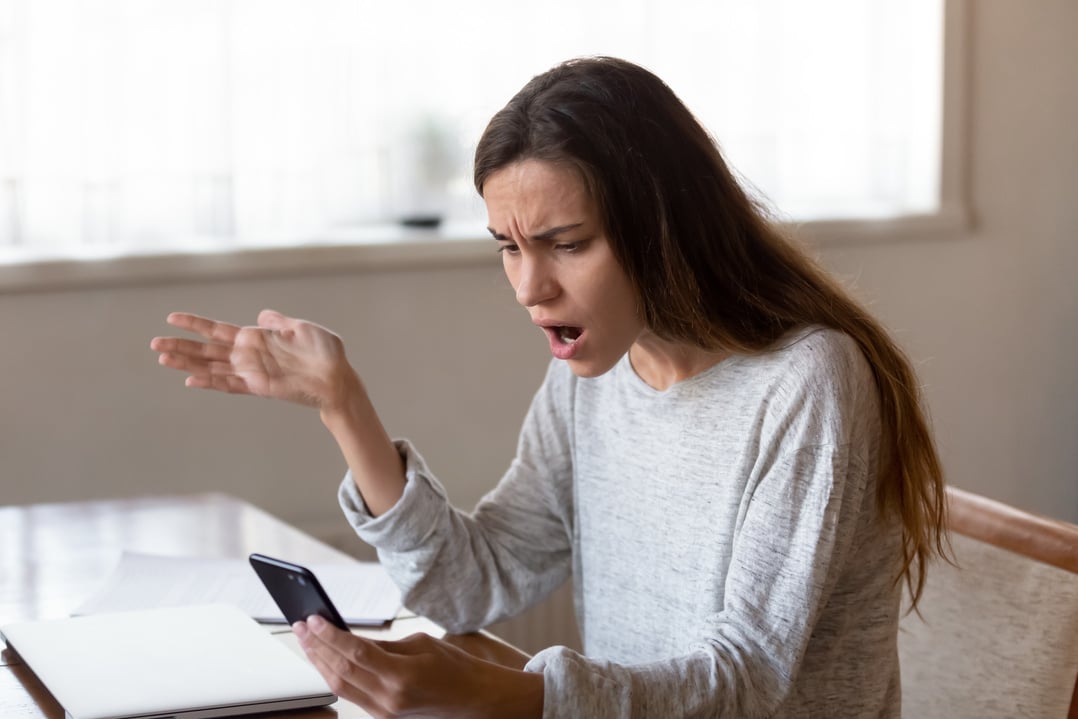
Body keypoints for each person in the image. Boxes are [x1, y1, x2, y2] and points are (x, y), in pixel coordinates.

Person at [151, 56, 947, 718]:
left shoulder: (808, 381)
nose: (530, 288)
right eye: (508, 246)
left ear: (662, 225)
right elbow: (472, 583)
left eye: (565, 244)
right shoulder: (594, 374)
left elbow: (748, 679)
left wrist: (508, 693)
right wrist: (343, 405)